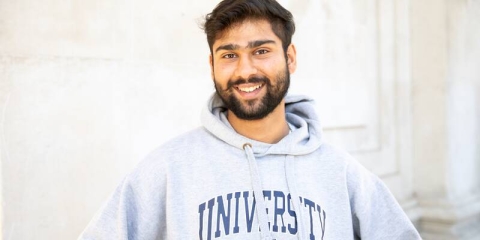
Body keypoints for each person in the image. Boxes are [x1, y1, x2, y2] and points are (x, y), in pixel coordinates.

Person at [79, 0, 421, 239]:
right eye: (229, 55)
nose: (245, 71)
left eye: (261, 51)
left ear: (290, 57)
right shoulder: (167, 169)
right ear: (212, 65)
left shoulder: (341, 172)